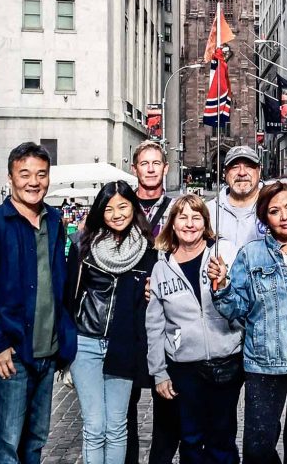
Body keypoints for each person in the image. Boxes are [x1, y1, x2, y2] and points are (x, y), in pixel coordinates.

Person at [207, 178, 287, 464]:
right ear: (265, 216)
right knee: (257, 447)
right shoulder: (251, 255)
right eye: (275, 211)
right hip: (264, 364)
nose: (284, 216)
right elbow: (235, 309)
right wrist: (222, 285)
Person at [0, 142, 77, 464]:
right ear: (11, 177)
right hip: (12, 354)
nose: (33, 181)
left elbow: (59, 281)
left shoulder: (54, 221)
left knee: (35, 441)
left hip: (47, 352)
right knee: (5, 445)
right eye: (24, 174)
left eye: (41, 174)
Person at [145, 194, 243, 464]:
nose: (189, 224)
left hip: (226, 362)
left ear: (205, 223)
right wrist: (159, 373)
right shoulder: (162, 268)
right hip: (184, 367)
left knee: (222, 439)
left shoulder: (224, 254)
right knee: (190, 439)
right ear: (172, 224)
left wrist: (224, 282)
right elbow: (154, 326)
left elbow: (244, 304)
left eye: (196, 217)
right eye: (183, 217)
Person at [65, 181, 155, 464]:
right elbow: (69, 294)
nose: (116, 214)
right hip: (86, 342)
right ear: (99, 212)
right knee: (94, 426)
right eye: (109, 208)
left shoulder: (148, 250)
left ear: (133, 207)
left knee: (117, 427)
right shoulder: (83, 246)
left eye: (123, 206)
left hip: (124, 343)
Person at [124, 140, 178, 464]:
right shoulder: (121, 206)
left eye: (156, 163)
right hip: (129, 317)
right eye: (144, 163)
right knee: (124, 404)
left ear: (165, 168)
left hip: (166, 316)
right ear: (135, 169)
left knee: (167, 403)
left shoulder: (175, 209)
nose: (150, 168)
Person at [207, 145, 267, 249]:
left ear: (259, 170)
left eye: (248, 166)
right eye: (234, 167)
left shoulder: (273, 207)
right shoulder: (208, 211)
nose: (242, 173)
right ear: (225, 173)